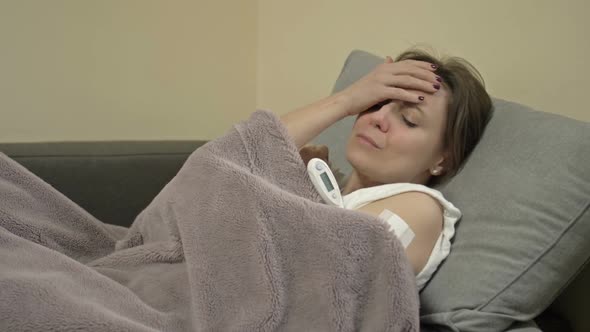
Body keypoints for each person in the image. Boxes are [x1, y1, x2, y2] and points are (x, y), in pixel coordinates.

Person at [281, 48, 493, 290]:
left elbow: (328, 278)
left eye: (409, 119)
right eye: (376, 103)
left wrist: (291, 185)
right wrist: (348, 99)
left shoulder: (421, 208)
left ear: (443, 160)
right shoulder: (325, 182)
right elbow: (241, 154)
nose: (378, 118)